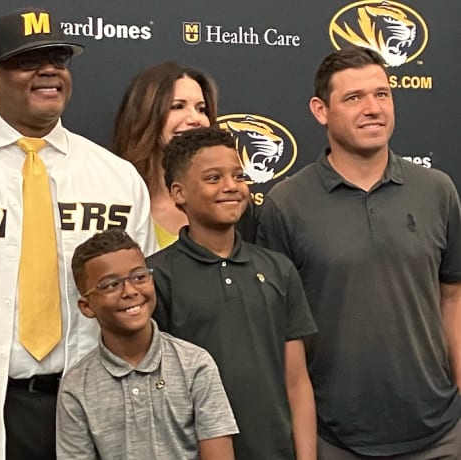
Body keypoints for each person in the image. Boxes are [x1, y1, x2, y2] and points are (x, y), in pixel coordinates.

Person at [0, 8, 157, 460]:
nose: (49, 69)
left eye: (59, 58)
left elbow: (143, 300)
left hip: (94, 401)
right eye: (28, 60)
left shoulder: (116, 176)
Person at [257, 46, 461, 458]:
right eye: (354, 98)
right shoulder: (286, 203)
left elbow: (453, 298)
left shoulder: (437, 190)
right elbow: (279, 332)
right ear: (321, 110)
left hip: (439, 433)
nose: (373, 108)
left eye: (382, 94)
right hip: (335, 438)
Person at [147, 127, 318, 459]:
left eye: (238, 176)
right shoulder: (155, 277)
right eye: (213, 178)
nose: (231, 186)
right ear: (179, 193)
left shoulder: (278, 269)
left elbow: (296, 382)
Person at [57, 228, 238, 459]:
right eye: (111, 285)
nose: (130, 291)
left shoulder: (194, 364)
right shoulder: (76, 387)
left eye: (139, 277)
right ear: (86, 306)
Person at [112, 61, 257, 248]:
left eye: (201, 109)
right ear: (146, 115)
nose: (195, 119)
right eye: (178, 106)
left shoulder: (234, 203)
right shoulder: (119, 200)